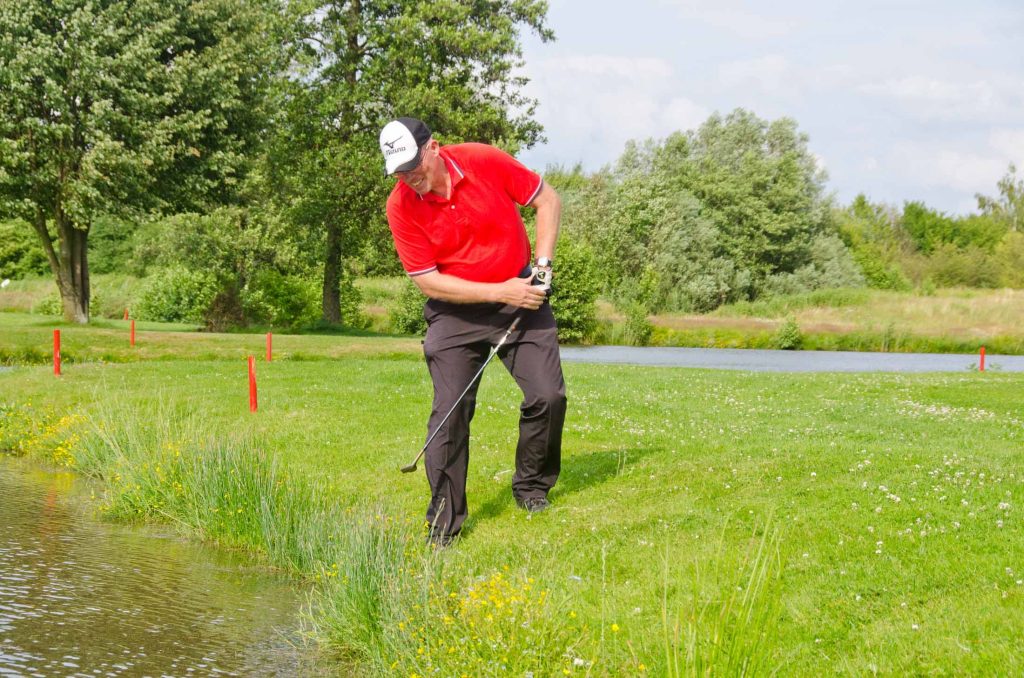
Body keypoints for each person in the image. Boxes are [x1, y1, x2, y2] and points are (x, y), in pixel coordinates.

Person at [379, 117, 566, 545]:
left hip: (520, 291)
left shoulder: (483, 160)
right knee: (450, 413)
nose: (410, 179)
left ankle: (532, 488)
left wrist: (542, 268)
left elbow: (548, 201)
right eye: (400, 173)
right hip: (455, 310)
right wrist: (499, 291)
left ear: (434, 148)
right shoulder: (400, 205)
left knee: (548, 396)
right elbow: (428, 281)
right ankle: (444, 524)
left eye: (414, 166)